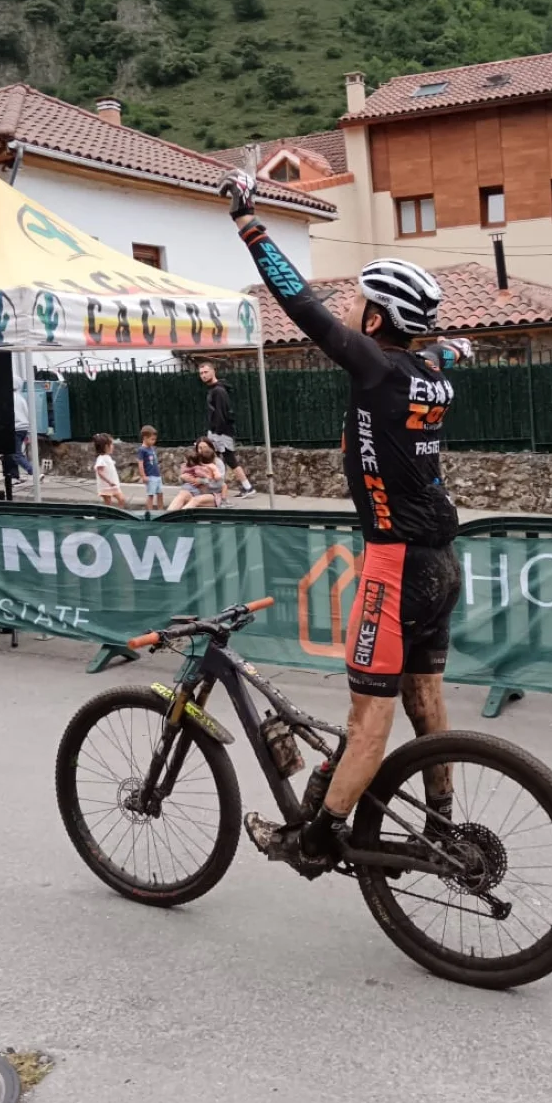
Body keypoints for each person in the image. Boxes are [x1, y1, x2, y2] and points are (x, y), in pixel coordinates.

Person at [219, 166, 459, 874]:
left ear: (378, 320)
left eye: (358, 302)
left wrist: (248, 223)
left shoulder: (379, 368)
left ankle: (315, 839)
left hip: (394, 560)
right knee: (426, 695)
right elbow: (436, 349)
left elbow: (301, 307)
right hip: (443, 561)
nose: (347, 309)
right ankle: (442, 820)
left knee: (368, 721)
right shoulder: (433, 374)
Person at [197, 361, 256, 498]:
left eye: (206, 372)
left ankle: (244, 487)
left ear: (213, 371)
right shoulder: (214, 389)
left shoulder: (218, 391)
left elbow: (222, 413)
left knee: (226, 459)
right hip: (218, 431)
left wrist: (216, 433)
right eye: (201, 373)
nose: (203, 375)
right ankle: (243, 487)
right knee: (222, 459)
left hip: (221, 432)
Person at [167, 438, 227, 510]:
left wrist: (202, 481)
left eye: (205, 447)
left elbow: (220, 484)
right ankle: (166, 518)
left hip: (212, 494)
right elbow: (185, 477)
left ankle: (181, 518)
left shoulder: (217, 463)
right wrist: (183, 478)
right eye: (200, 448)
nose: (202, 450)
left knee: (195, 500)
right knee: (182, 495)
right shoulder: (195, 459)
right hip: (195, 490)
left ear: (211, 448)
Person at [92, 433, 126, 507]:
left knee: (122, 499)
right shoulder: (101, 459)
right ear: (106, 446)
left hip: (112, 485)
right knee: (109, 504)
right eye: (112, 444)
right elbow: (100, 472)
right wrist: (109, 482)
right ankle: (110, 516)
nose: (113, 446)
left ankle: (119, 514)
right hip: (106, 486)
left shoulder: (107, 457)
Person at [137, 425, 164, 510]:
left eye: (155, 439)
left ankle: (161, 510)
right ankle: (149, 512)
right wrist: (143, 476)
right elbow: (140, 463)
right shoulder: (142, 450)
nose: (154, 441)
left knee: (160, 493)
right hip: (150, 476)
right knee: (151, 495)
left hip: (157, 475)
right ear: (145, 438)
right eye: (152, 439)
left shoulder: (151, 448)